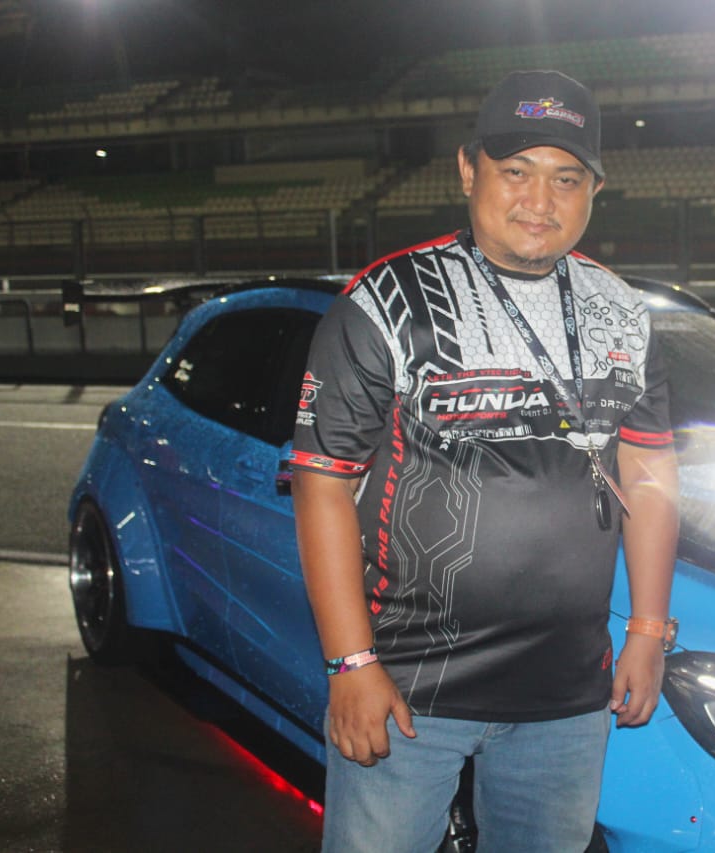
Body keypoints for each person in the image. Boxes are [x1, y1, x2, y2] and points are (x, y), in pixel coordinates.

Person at [290, 69, 679, 853]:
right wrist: (350, 661)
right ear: (469, 170)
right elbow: (320, 485)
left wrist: (646, 628)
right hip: (409, 684)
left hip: (567, 690)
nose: (541, 200)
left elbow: (648, 477)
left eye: (567, 178)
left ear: (595, 190)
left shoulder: (623, 311)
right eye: (517, 170)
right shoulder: (385, 301)